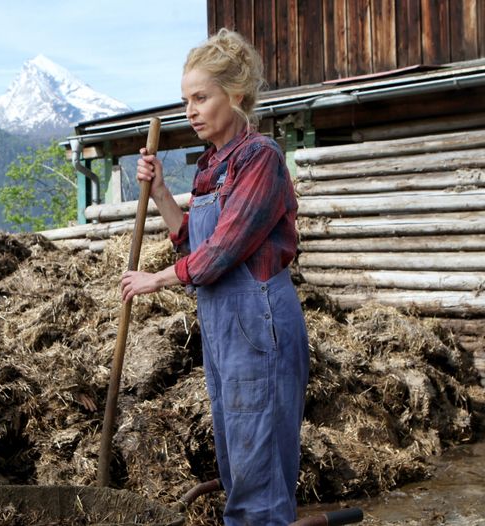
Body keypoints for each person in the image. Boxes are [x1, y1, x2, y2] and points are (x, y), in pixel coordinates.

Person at [120, 28, 309, 525]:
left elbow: (223, 251)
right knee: (236, 454)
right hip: (223, 326)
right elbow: (193, 241)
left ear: (236, 94)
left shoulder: (260, 158)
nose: (191, 111)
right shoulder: (210, 167)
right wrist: (161, 192)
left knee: (259, 465)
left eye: (202, 97)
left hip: (258, 323)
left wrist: (156, 279)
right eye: (186, 100)